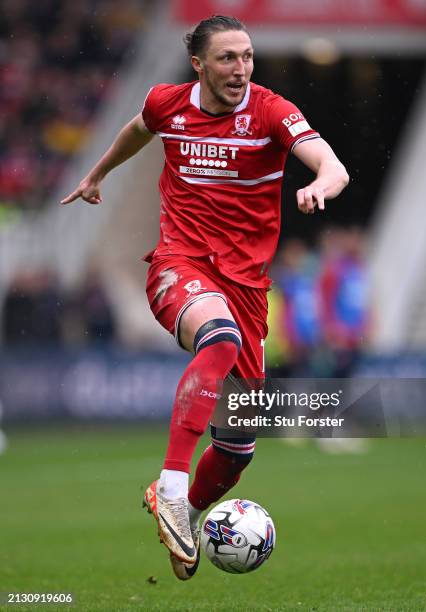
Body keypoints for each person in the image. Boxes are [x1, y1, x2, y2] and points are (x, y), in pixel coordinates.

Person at [61, 15, 349, 580]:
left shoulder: (270, 110)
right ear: (199, 64)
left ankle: (186, 514)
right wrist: (97, 174)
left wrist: (318, 184)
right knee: (219, 336)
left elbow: (331, 164)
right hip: (180, 265)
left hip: (246, 287)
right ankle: (170, 483)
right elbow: (137, 129)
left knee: (239, 445)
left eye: (246, 56)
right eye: (227, 58)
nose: (240, 68)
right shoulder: (168, 103)